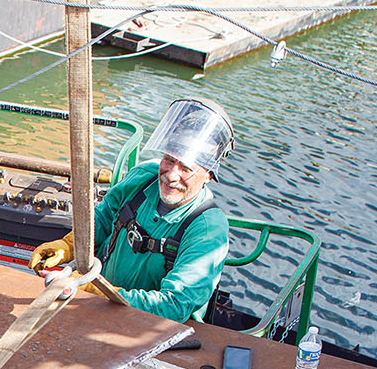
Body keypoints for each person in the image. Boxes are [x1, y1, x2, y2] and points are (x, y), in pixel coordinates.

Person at [30, 97, 234, 323]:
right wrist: (69, 246)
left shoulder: (208, 229)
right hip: (92, 309)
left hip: (149, 329)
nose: (171, 175)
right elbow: (103, 218)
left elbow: (174, 305)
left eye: (186, 168)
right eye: (168, 160)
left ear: (209, 175)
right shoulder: (143, 178)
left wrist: (97, 290)